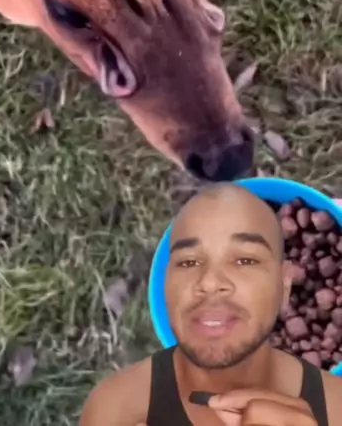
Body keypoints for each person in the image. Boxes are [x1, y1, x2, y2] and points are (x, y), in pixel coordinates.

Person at [79, 183, 342, 426]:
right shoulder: (115, 408)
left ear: (285, 285)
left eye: (245, 261)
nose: (211, 282)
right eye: (188, 262)